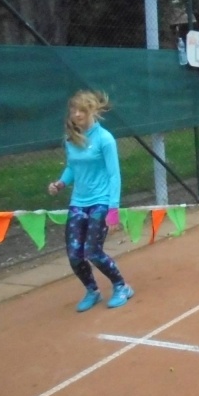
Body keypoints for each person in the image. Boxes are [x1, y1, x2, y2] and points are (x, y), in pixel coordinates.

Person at [47, 90, 134, 312]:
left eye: (81, 111)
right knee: (75, 255)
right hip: (78, 203)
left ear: (92, 111)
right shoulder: (71, 139)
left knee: (93, 252)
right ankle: (92, 291)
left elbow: (114, 175)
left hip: (101, 202)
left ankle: (121, 286)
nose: (76, 114)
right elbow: (72, 167)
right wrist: (60, 183)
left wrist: (113, 210)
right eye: (73, 110)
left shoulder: (105, 139)